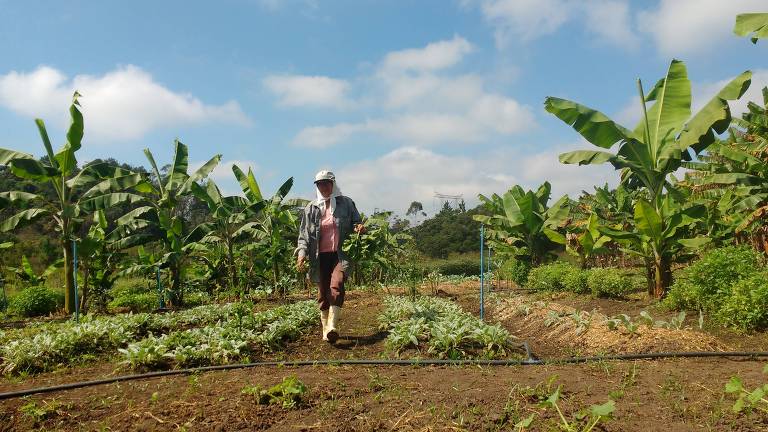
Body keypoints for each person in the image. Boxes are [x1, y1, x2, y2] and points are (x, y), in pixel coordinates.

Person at [296, 170, 364, 343]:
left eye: (327, 183)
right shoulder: (311, 208)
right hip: (318, 256)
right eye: (320, 184)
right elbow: (303, 235)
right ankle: (325, 328)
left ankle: (333, 326)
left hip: (340, 254)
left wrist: (359, 228)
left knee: (336, 285)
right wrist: (301, 254)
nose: (324, 187)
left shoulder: (346, 203)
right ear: (317, 187)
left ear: (333, 184)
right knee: (322, 292)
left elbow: (357, 222)